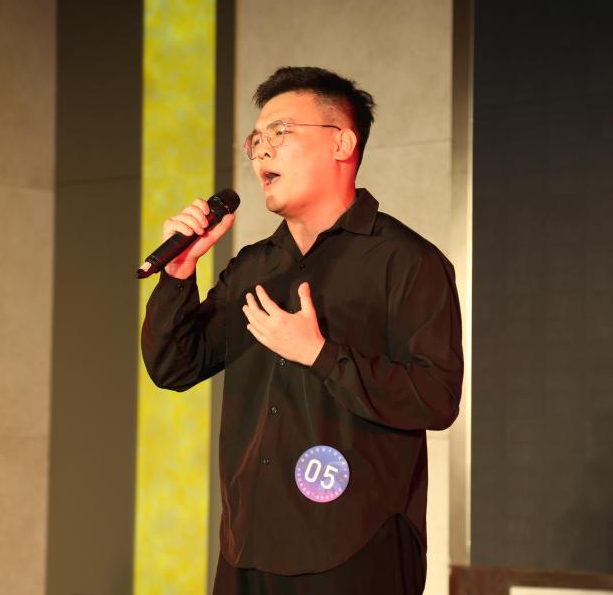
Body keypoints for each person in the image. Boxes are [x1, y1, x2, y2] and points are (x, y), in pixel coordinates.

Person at [141, 66, 464, 594]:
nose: (262, 151)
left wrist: (320, 354)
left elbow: (435, 398)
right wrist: (178, 278)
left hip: (355, 548)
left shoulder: (407, 262)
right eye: (256, 139)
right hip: (248, 548)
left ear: (341, 143)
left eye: (281, 132)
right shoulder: (254, 266)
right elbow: (173, 367)